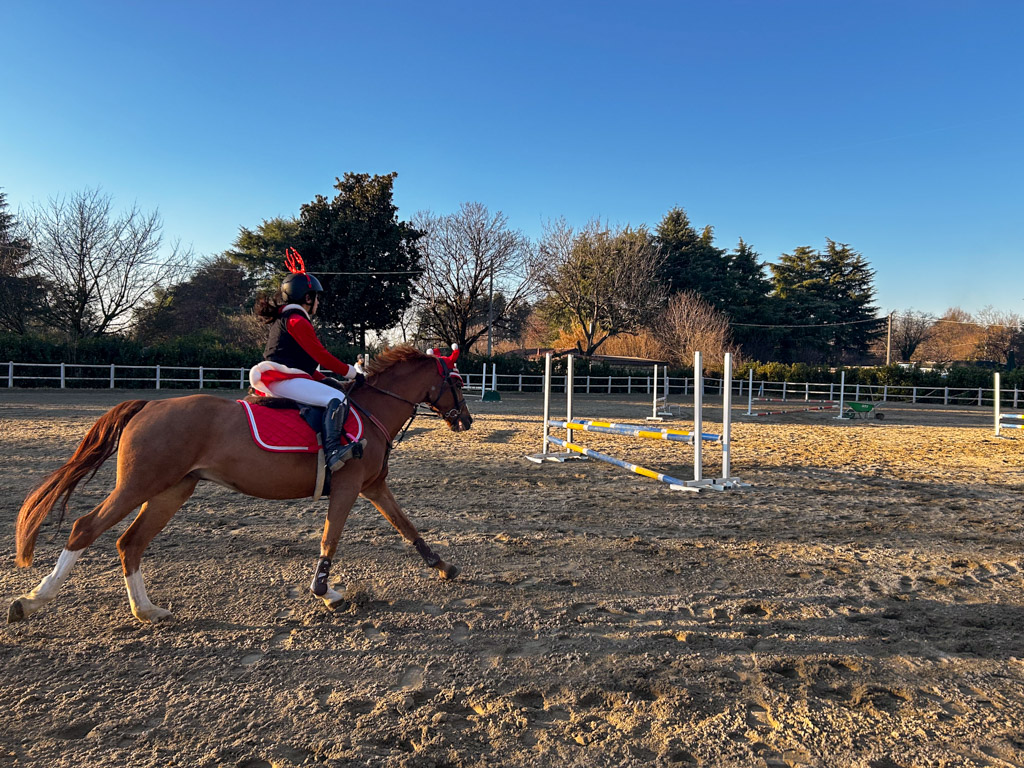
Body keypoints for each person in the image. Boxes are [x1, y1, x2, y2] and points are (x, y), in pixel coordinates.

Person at [249, 248, 366, 472]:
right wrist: (352, 372)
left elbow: (304, 365)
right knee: (337, 399)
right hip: (281, 380)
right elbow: (320, 355)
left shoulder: (287, 317)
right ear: (308, 297)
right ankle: (333, 452)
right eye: (317, 298)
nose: (318, 304)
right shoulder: (296, 321)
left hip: (285, 376)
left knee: (332, 387)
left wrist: (329, 379)